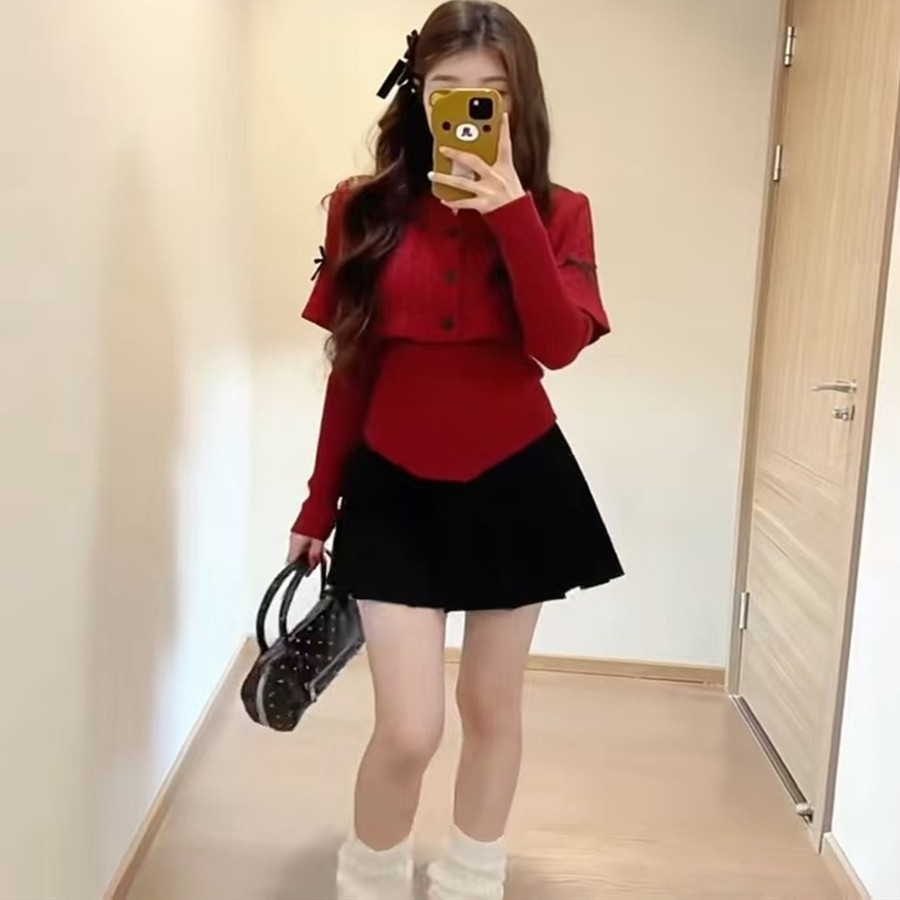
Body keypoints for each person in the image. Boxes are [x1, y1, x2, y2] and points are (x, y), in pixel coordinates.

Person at [287, 2, 623, 897]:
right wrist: (318, 505)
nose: (469, 109)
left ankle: (473, 876)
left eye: (491, 94)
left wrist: (511, 215)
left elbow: (556, 346)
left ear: (519, 102)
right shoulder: (360, 209)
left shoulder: (560, 213)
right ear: (417, 94)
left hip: (517, 477)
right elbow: (350, 368)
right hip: (392, 484)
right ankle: (370, 877)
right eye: (447, 89)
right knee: (409, 727)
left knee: (490, 705)